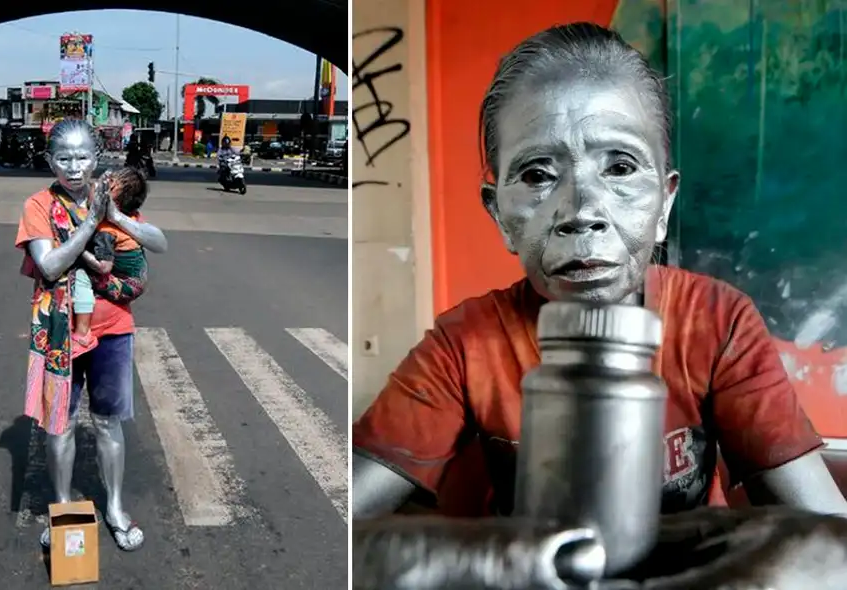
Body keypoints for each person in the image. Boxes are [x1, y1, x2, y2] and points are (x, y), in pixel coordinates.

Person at [352, 22, 847, 523]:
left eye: (621, 168)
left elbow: (826, 531)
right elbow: (349, 508)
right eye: (538, 175)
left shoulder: (718, 321)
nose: (582, 211)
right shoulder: (464, 344)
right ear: (499, 215)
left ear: (664, 204)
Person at [15, 119, 167, 553]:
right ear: (50, 161)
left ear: (96, 159)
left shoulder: (110, 196)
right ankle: (63, 509)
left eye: (83, 157)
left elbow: (160, 243)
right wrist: (89, 225)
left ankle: (115, 507)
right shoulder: (39, 205)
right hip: (59, 332)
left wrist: (114, 216)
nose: (74, 167)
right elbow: (49, 265)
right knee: (60, 424)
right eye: (63, 158)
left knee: (107, 421)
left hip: (112, 329)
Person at [71, 166, 150, 358]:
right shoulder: (130, 219)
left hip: (126, 286)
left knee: (80, 276)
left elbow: (104, 267)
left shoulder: (107, 231)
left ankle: (82, 333)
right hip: (137, 279)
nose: (96, 185)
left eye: (105, 185)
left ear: (111, 200)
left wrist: (78, 249)